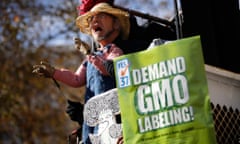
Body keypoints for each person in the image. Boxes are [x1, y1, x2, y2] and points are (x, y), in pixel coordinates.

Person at [32, 3, 138, 144]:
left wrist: (90, 54)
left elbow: (110, 69)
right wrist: (54, 73)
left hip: (112, 115)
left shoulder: (115, 51)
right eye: (92, 18)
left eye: (101, 16)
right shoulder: (91, 58)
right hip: (93, 117)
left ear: (116, 25)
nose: (95, 20)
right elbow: (76, 79)